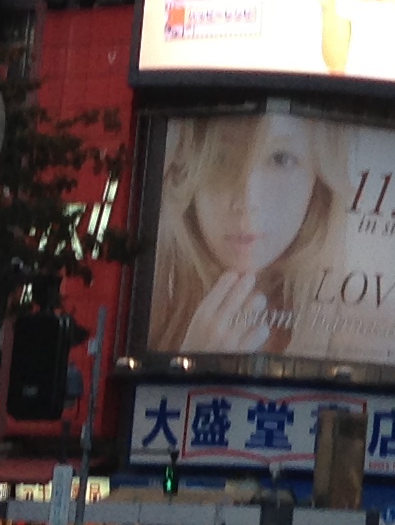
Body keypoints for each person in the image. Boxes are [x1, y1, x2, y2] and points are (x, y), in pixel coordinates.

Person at [148, 109, 353, 359]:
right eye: (221, 158)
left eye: (280, 159)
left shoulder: (362, 328)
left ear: (319, 179)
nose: (247, 200)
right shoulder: (144, 306)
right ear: (185, 170)